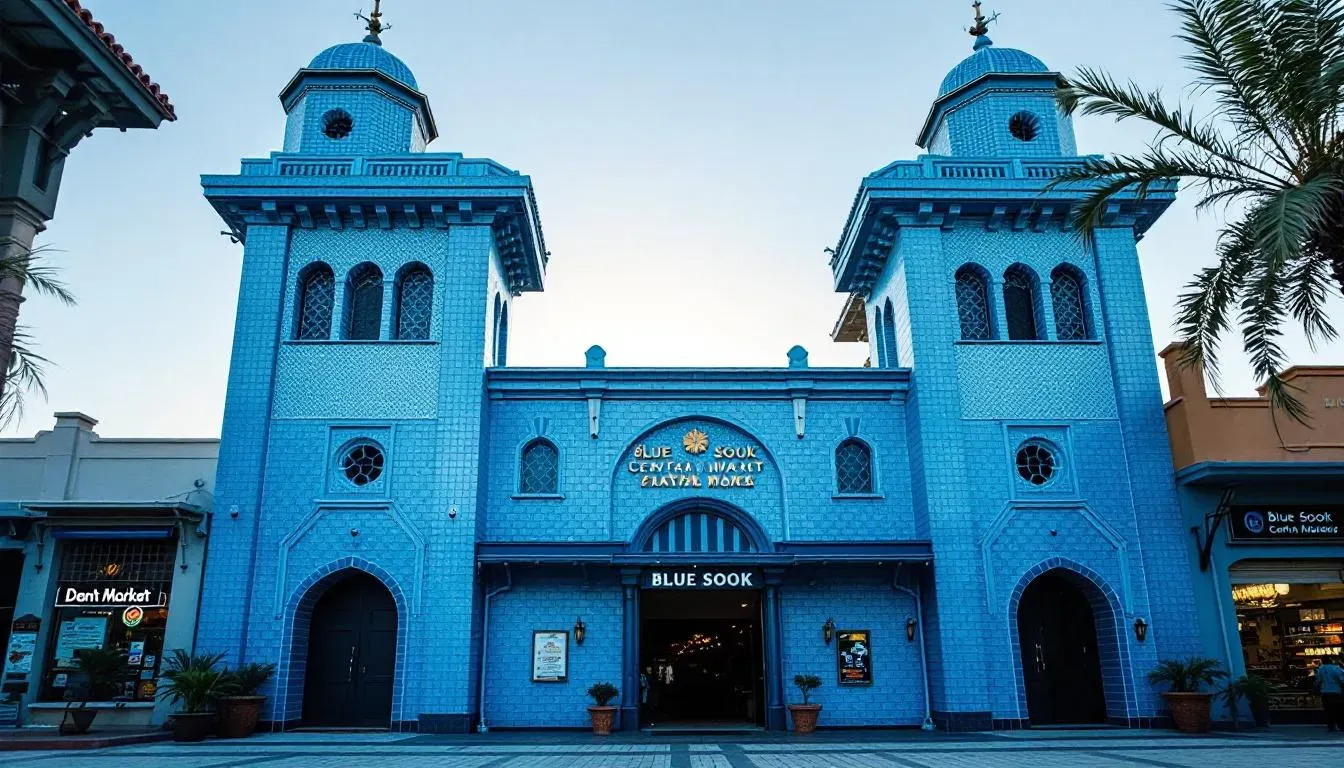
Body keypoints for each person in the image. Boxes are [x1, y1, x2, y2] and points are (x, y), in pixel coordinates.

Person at [1316, 656, 1344, 733]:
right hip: (1336, 691)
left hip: (1325, 691)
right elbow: (1342, 679)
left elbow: (1318, 681)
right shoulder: (1336, 668)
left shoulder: (1320, 669)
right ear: (1330, 660)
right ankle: (1340, 725)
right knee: (1338, 709)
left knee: (1328, 710)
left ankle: (1331, 726)